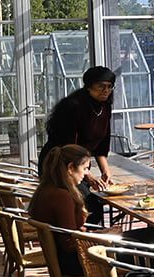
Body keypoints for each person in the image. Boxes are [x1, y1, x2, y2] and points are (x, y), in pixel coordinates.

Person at [38, 65, 118, 228]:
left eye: (110, 86)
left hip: (79, 165)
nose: (106, 91)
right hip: (60, 163)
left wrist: (106, 173)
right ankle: (80, 238)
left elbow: (102, 146)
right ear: (88, 86)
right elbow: (69, 148)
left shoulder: (105, 107)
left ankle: (87, 237)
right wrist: (88, 175)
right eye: (101, 86)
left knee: (93, 202)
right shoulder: (74, 106)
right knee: (88, 205)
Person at [27, 144, 92, 277]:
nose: (86, 173)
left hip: (58, 259)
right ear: (71, 168)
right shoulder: (62, 196)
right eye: (85, 168)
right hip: (73, 262)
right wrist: (100, 238)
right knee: (141, 248)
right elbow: (69, 243)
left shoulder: (45, 190)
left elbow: (65, 233)